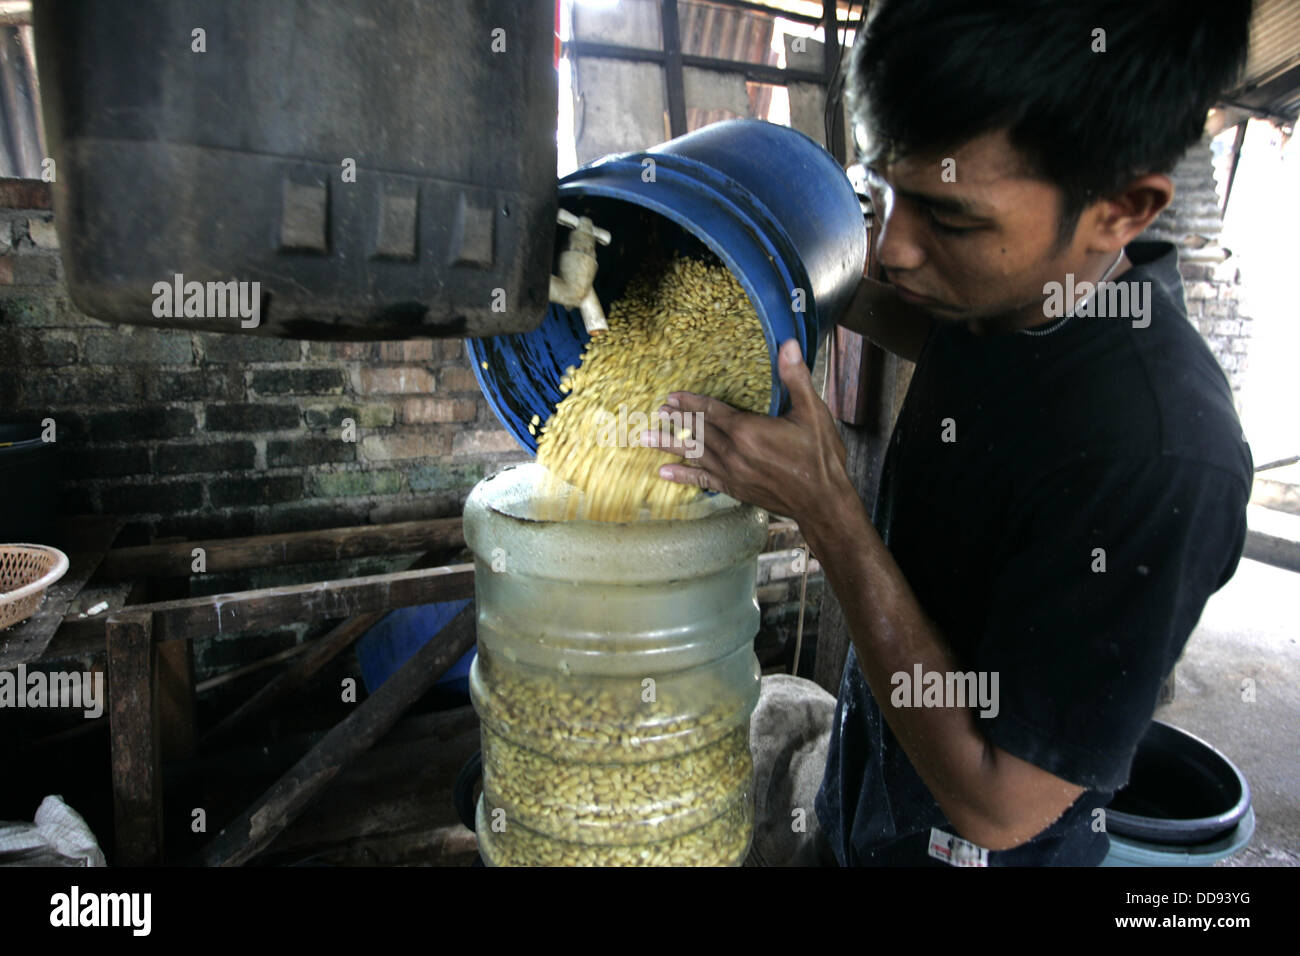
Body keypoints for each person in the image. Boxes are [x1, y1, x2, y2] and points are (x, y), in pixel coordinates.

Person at [645, 0, 1255, 865]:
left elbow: (1000, 804)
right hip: (868, 796)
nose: (891, 247)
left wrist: (827, 511)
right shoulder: (1005, 300)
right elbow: (883, 299)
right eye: (881, 191)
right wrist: (741, 255)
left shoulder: (1158, 458)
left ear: (1121, 209)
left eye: (951, 216)